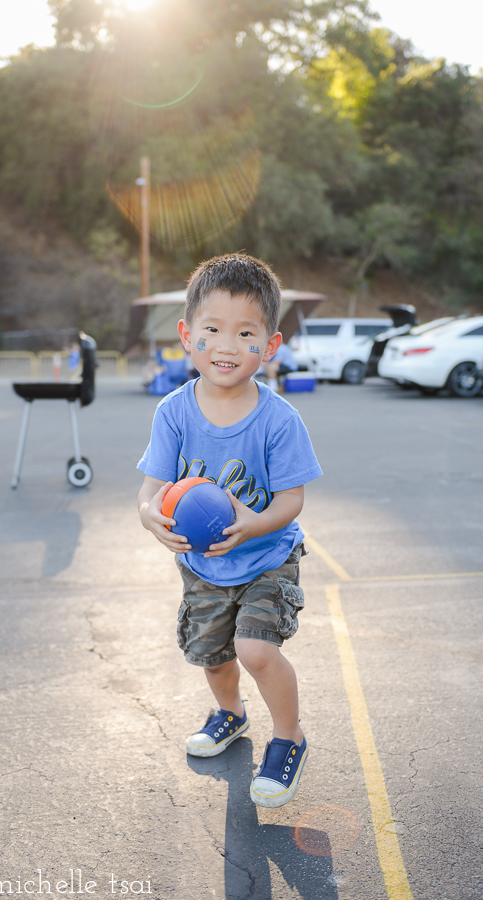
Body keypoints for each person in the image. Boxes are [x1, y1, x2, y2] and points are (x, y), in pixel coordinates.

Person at [137, 253, 322, 808]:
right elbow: (150, 491)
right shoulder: (173, 412)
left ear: (269, 346)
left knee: (255, 650)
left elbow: (292, 498)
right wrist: (150, 516)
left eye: (245, 332)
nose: (225, 344)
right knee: (212, 656)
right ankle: (231, 714)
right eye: (212, 328)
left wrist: (254, 524)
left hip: (266, 557)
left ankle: (289, 739)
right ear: (186, 335)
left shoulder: (278, 419)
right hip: (203, 566)